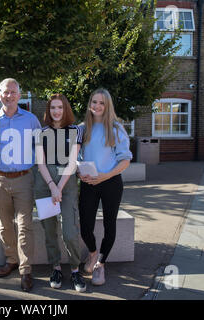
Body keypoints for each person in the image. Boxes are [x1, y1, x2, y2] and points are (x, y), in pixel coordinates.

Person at [0, 78, 41, 292]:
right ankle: (11, 259)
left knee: (25, 225)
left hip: (24, 178)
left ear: (19, 94)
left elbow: (40, 148)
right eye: (6, 92)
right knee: (5, 224)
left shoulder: (31, 120)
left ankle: (25, 270)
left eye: (13, 92)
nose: (10, 95)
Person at [78, 88, 132, 286]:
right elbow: (76, 157)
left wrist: (105, 176)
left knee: (110, 225)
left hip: (110, 182)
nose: (97, 106)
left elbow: (125, 160)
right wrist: (79, 171)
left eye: (101, 103)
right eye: (94, 102)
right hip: (88, 182)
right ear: (89, 104)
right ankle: (92, 253)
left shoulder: (116, 129)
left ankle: (100, 264)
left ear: (107, 105)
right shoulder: (82, 128)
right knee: (85, 227)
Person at [34, 94, 86, 292]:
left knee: (70, 230)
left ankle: (75, 269)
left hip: (67, 182)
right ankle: (55, 267)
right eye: (53, 108)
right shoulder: (42, 132)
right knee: (49, 228)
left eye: (60, 108)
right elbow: (41, 162)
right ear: (48, 110)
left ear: (66, 110)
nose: (57, 111)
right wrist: (51, 185)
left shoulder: (75, 131)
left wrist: (59, 187)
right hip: (44, 182)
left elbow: (72, 162)